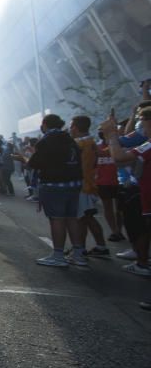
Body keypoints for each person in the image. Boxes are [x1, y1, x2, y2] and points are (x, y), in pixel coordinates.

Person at [26, 114, 86, 268]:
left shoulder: (47, 141)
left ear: (45, 124)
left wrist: (23, 158)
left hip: (55, 185)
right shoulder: (69, 139)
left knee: (57, 219)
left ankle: (58, 255)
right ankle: (78, 254)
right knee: (72, 218)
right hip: (74, 184)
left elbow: (34, 163)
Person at [100, 106, 151, 278]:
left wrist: (112, 135)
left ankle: (143, 262)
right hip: (140, 191)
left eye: (141, 120)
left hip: (144, 194)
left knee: (141, 228)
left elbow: (119, 157)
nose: (139, 125)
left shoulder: (148, 145)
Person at [70, 116, 109, 258]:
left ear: (75, 127)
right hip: (89, 184)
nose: (70, 129)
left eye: (71, 126)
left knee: (82, 218)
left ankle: (80, 249)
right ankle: (99, 246)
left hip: (82, 186)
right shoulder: (90, 142)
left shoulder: (79, 144)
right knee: (87, 217)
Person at [95, 131, 125, 242]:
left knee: (119, 209)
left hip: (118, 182)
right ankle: (115, 231)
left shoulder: (118, 146)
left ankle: (119, 230)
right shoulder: (98, 147)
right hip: (103, 182)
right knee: (108, 208)